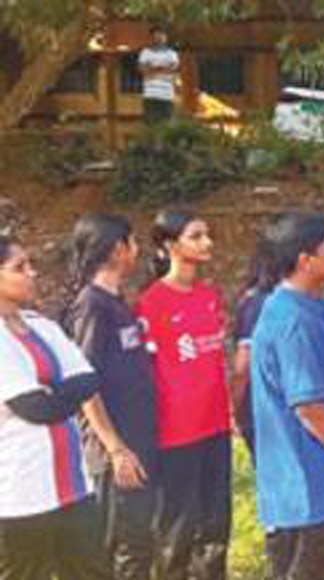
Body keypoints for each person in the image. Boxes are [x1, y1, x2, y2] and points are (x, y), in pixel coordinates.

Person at [249, 212, 324, 579]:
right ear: (305, 260)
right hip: (305, 490)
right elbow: (308, 405)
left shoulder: (315, 309)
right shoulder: (291, 320)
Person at [0, 235, 110, 579]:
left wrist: (53, 395)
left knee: (92, 572)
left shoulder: (43, 326)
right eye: (20, 267)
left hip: (73, 487)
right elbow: (35, 408)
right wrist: (62, 393)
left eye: (30, 264)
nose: (32, 273)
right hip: (19, 493)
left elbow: (90, 379)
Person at [136, 209, 230, 580]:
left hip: (216, 425)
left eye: (207, 234)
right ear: (170, 245)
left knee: (216, 524)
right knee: (178, 526)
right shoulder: (152, 301)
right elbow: (147, 372)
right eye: (196, 236)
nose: (207, 242)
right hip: (176, 432)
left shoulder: (209, 296)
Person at [65, 214, 157, 580]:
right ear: (119, 249)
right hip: (114, 453)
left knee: (139, 542)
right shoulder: (92, 305)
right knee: (122, 547)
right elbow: (85, 383)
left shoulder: (118, 303)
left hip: (138, 442)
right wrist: (116, 449)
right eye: (133, 242)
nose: (137, 250)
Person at [231, 236, 281, 460]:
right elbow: (243, 365)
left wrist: (234, 406)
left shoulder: (255, 303)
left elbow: (242, 368)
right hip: (275, 409)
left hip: (262, 409)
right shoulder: (269, 302)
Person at [138, 24, 180, 124]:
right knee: (150, 125)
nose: (159, 39)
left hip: (167, 94)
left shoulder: (172, 54)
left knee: (167, 125)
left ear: (166, 37)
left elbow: (173, 69)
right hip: (150, 94)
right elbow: (142, 69)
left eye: (161, 36)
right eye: (156, 37)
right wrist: (163, 68)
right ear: (151, 38)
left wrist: (152, 68)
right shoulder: (145, 52)